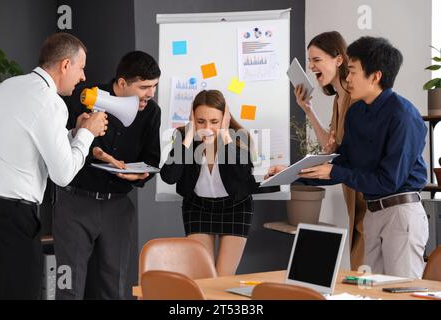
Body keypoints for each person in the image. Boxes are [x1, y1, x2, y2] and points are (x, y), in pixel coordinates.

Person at [299, 36, 428, 278]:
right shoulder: (356, 113)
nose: (347, 79)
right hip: (373, 214)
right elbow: (344, 163)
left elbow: (388, 180)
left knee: (401, 293)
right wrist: (295, 173)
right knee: (372, 292)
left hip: (400, 213)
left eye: (352, 72)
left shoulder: (404, 116)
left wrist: (334, 170)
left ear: (375, 76)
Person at [0, 33, 107, 300]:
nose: (83, 77)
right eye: (81, 67)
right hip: (15, 218)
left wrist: (72, 134)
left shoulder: (9, 86)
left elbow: (27, 141)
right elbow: (63, 175)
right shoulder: (51, 101)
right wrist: (87, 134)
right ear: (65, 65)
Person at [53, 51, 161, 300]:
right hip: (75, 204)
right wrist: (80, 131)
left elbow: (152, 159)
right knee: (69, 283)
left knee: (111, 285)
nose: (150, 94)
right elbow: (58, 145)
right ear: (122, 83)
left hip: (117, 207)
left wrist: (139, 176)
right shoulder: (83, 97)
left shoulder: (151, 112)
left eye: (154, 87)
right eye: (144, 87)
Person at [160, 90, 280, 276]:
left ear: (224, 118)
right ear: (193, 118)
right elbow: (169, 176)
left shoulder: (239, 137)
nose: (207, 127)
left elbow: (241, 174)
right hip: (197, 207)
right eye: (201, 121)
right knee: (203, 276)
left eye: (214, 121)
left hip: (235, 208)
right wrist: (189, 137)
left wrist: (225, 136)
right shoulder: (182, 136)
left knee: (223, 277)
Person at [294, 31, 366, 271]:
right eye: (309, 61)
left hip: (366, 195)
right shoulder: (338, 98)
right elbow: (330, 147)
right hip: (352, 195)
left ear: (338, 59)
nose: (311, 66)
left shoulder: (355, 97)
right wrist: (308, 110)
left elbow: (347, 152)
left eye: (317, 60)